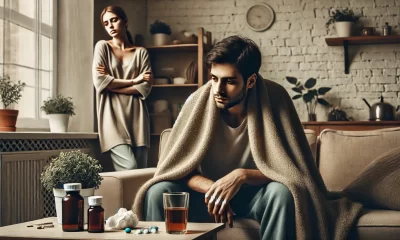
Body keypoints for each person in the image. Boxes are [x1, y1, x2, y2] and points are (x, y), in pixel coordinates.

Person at [132, 36, 363, 239]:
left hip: (254, 196)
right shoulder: (196, 102)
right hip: (207, 198)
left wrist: (241, 176)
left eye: (230, 81)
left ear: (250, 81)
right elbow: (178, 168)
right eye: (214, 78)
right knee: (157, 192)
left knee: (281, 194)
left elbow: (292, 170)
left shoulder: (276, 99)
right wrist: (215, 189)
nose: (218, 89)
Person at [92, 6, 152, 171]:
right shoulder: (102, 47)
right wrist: (134, 80)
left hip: (138, 118)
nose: (110, 26)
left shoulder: (141, 53)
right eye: (106, 23)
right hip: (111, 118)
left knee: (140, 173)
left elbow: (145, 88)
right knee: (129, 167)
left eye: (114, 20)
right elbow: (99, 83)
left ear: (125, 22)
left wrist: (111, 86)